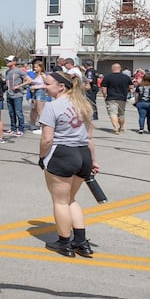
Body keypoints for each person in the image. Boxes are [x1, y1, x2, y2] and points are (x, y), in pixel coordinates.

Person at [37, 72, 97, 257]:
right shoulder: (84, 104)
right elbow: (89, 138)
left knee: (60, 201)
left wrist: (41, 157)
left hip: (63, 154)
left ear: (61, 86)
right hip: (83, 154)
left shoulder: (52, 106)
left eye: (47, 84)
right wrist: (93, 160)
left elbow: (47, 139)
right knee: (71, 199)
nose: (44, 87)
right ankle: (80, 241)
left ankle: (65, 243)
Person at [101, 62, 133, 135]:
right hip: (122, 98)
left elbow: (104, 88)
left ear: (112, 69)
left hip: (111, 97)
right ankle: (121, 127)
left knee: (113, 113)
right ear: (120, 69)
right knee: (121, 114)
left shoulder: (107, 77)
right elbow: (131, 87)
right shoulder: (126, 77)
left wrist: (105, 95)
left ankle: (115, 128)